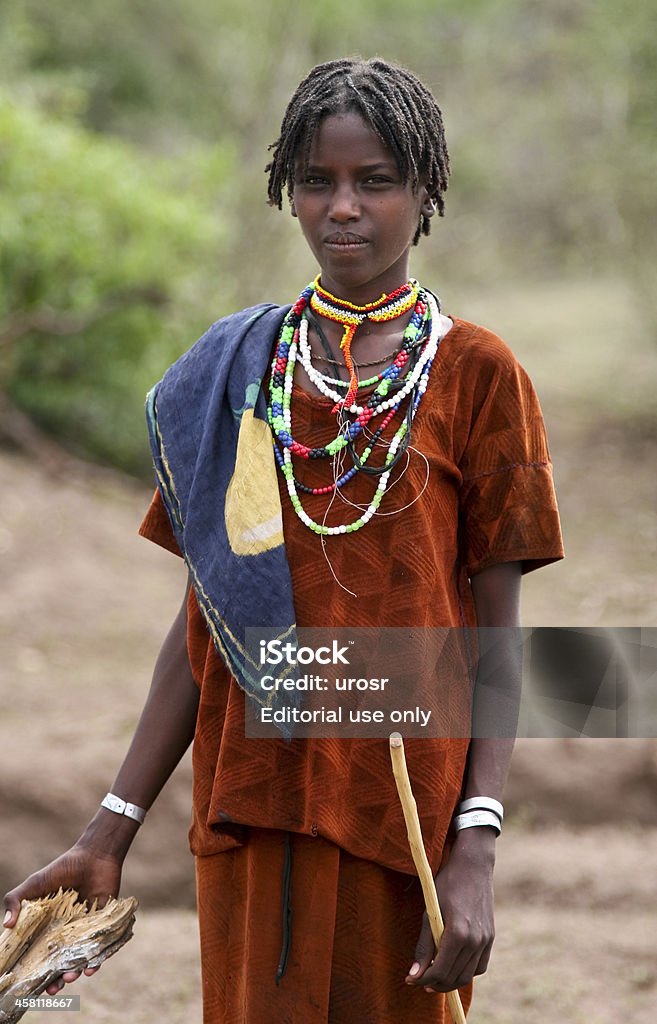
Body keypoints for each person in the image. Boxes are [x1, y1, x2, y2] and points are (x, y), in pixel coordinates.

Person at [3, 57, 564, 1022]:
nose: (342, 207)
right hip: (252, 799)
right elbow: (206, 623)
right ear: (288, 194)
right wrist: (112, 825)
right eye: (317, 181)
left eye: (374, 180)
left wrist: (475, 841)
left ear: (424, 191)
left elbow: (495, 635)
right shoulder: (238, 375)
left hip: (406, 811)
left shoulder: (479, 375)